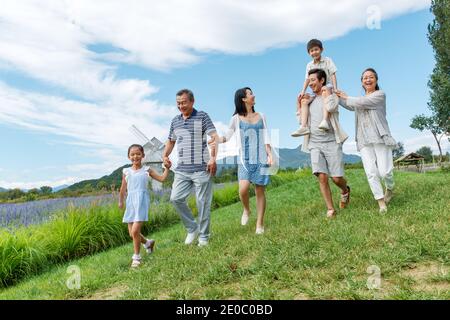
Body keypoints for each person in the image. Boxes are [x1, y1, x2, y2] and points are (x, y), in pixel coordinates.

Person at [212, 87, 274, 234]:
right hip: (244, 159)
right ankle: (246, 210)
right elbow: (227, 136)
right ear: (243, 99)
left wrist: (270, 154)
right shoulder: (235, 119)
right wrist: (216, 140)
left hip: (261, 157)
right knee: (243, 189)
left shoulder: (261, 116)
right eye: (250, 94)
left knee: (260, 191)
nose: (253, 95)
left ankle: (260, 224)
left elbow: (266, 137)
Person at [163, 89, 219, 247]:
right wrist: (165, 155)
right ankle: (192, 228)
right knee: (175, 198)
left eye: (184, 102)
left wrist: (213, 158)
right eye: (178, 103)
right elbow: (171, 141)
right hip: (182, 169)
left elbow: (214, 137)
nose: (181, 106)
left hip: (201, 168)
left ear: (192, 101)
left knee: (203, 203)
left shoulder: (202, 116)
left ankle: (204, 237)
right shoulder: (175, 121)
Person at [337, 68, 396, 213]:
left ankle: (390, 188)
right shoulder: (357, 101)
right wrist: (334, 95)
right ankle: (381, 202)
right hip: (364, 139)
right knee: (371, 172)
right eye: (365, 78)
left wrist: (346, 96)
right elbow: (349, 104)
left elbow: (362, 101)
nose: (368, 80)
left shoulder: (379, 95)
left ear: (376, 80)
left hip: (380, 137)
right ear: (362, 82)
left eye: (371, 77)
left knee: (385, 172)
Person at [301, 68, 350, 218]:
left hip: (331, 142)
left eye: (313, 80)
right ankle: (330, 209)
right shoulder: (309, 100)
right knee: (321, 176)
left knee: (336, 178)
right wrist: (301, 104)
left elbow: (331, 107)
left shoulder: (330, 95)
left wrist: (327, 93)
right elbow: (301, 121)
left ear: (322, 80)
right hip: (314, 143)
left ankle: (345, 190)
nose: (310, 84)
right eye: (309, 81)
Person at [119, 144, 169, 268]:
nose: (135, 156)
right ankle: (148, 243)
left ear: (143, 156)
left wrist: (167, 168)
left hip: (142, 201)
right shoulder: (126, 171)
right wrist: (120, 201)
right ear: (128, 156)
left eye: (138, 154)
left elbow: (162, 179)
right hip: (131, 202)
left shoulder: (147, 170)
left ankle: (136, 258)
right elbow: (123, 188)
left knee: (135, 231)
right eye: (132, 154)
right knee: (132, 234)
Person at [292, 39, 339, 137]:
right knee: (304, 100)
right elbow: (307, 79)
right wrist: (303, 91)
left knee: (325, 90)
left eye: (316, 49)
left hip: (327, 85)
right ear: (309, 53)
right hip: (315, 89)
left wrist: (335, 88)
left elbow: (333, 74)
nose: (314, 52)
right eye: (311, 51)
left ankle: (325, 120)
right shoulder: (309, 65)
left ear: (321, 49)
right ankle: (304, 126)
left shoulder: (327, 60)